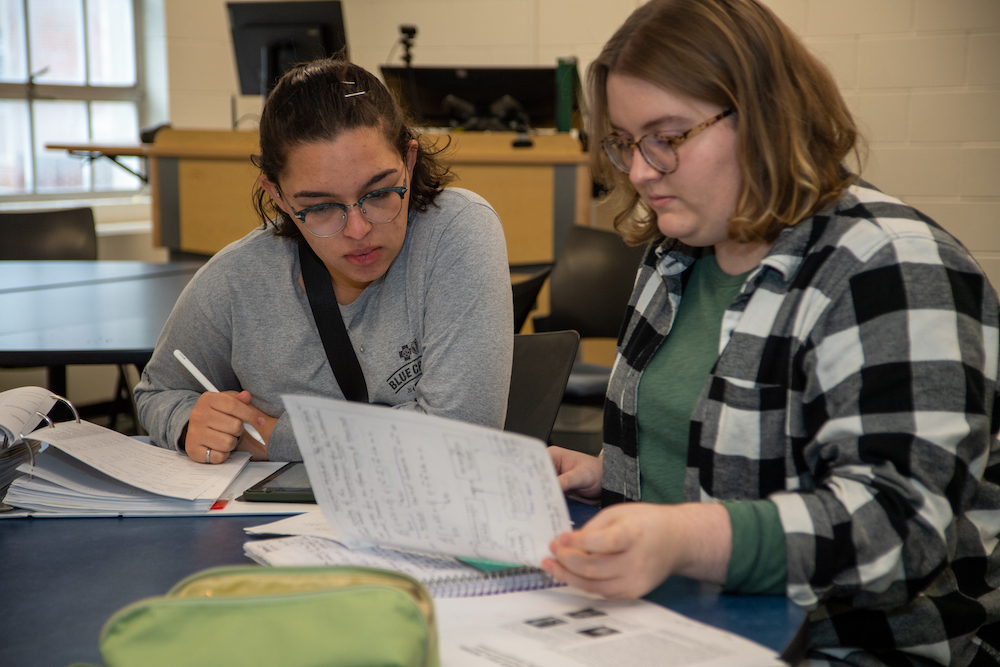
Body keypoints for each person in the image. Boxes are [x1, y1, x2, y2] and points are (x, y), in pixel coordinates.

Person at [541, 1, 1000, 664]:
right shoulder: (676, 255)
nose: (639, 171)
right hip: (687, 624)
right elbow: (718, 467)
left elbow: (896, 526)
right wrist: (613, 477)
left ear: (764, 116)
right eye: (624, 141)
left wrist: (682, 535)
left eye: (667, 136)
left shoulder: (892, 266)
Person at [134, 56, 513, 464]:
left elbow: (460, 438)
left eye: (379, 193)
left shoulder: (457, 231)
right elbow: (157, 392)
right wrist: (191, 420)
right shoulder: (235, 280)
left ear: (409, 160)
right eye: (321, 207)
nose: (357, 229)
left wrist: (265, 433)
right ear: (277, 194)